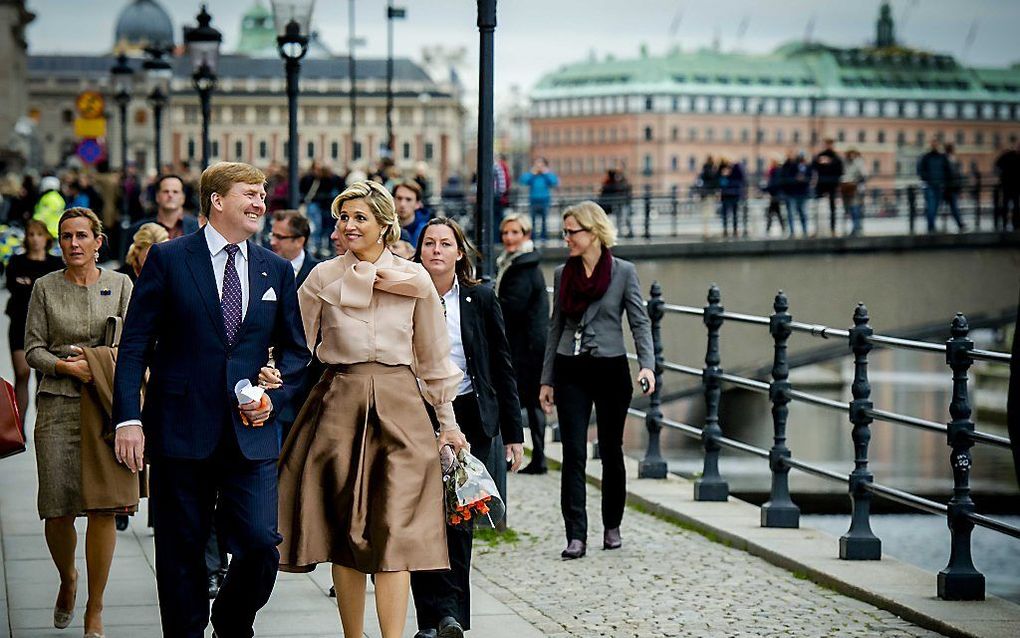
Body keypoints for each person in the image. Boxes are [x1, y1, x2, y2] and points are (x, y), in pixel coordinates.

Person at [111, 162, 310, 638]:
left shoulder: (275, 269)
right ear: (217, 200)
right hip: (181, 427)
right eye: (251, 193)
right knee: (182, 552)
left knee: (262, 544)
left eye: (263, 194)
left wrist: (273, 394)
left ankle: (231, 620)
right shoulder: (168, 259)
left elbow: (296, 353)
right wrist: (128, 420)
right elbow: (135, 344)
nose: (261, 202)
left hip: (252, 435)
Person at [276, 180, 467, 638]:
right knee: (344, 533)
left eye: (359, 217)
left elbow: (433, 359)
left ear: (385, 224)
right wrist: (264, 386)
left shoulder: (416, 278)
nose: (348, 225)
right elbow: (291, 346)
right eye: (343, 217)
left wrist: (448, 424)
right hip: (339, 402)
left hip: (402, 408)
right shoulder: (322, 276)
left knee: (395, 531)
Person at [410, 217, 524, 638]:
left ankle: (452, 614)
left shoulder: (479, 298)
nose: (436, 250)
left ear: (460, 253)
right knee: (422, 516)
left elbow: (502, 365)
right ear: (419, 252)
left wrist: (514, 433)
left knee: (459, 514)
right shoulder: (406, 293)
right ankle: (429, 617)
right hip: (418, 412)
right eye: (429, 243)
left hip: (470, 413)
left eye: (446, 243)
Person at [25, 207, 135, 638]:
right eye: (66, 236)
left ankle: (96, 607)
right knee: (58, 509)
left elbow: (138, 341)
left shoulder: (121, 284)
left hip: (106, 406)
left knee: (103, 508)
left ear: (98, 241)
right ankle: (67, 578)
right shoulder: (44, 288)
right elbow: (33, 348)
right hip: (58, 408)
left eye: (82, 236)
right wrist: (67, 368)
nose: (74, 244)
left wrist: (96, 363)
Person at [539, 201, 654, 560]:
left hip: (610, 369)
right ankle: (576, 535)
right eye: (565, 232)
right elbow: (555, 326)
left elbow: (639, 321)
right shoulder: (563, 274)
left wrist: (647, 365)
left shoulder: (623, 272)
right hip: (571, 369)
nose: (567, 239)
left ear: (593, 233)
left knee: (610, 451)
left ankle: (612, 525)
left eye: (573, 232)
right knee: (573, 453)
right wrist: (547, 379)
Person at [496, 213, 551, 474]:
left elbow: (512, 307)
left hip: (527, 346)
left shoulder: (523, 266)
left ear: (526, 235)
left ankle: (535, 457)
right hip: (526, 343)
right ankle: (535, 456)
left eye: (515, 232)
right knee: (529, 401)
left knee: (523, 400)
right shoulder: (517, 263)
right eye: (506, 233)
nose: (509, 238)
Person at [5, 219, 63, 418]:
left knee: (43, 377)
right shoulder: (16, 262)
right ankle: (18, 429)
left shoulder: (55, 265)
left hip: (46, 326)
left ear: (46, 237)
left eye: (39, 234)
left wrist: (28, 286)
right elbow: (15, 289)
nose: (35, 239)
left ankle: (43, 425)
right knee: (22, 373)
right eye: (31, 234)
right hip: (20, 323)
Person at [123, 175, 200, 259]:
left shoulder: (198, 228)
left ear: (183, 198)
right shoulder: (137, 229)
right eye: (165, 191)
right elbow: (127, 266)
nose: (170, 195)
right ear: (157, 196)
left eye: (175, 192)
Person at [269, 209, 319, 287]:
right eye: (272, 235)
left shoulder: (317, 272)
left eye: (279, 237)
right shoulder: (263, 266)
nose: (272, 242)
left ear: (299, 241)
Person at [519, 157, 559, 242]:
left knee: (544, 220)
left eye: (541, 164)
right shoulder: (532, 175)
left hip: (544, 200)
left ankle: (544, 237)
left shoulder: (547, 175)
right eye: (537, 164)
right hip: (533, 199)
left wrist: (546, 173)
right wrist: (532, 173)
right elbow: (523, 181)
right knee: (532, 221)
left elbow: (554, 182)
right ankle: (532, 237)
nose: (539, 166)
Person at [812, 139, 844, 235]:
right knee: (817, 207)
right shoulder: (820, 155)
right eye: (827, 144)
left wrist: (829, 163)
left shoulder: (836, 158)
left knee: (832, 208)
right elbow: (814, 166)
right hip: (821, 184)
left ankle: (833, 229)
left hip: (832, 185)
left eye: (830, 144)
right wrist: (820, 161)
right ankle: (816, 229)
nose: (828, 146)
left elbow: (840, 171)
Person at [917, 139, 950, 234]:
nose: (935, 145)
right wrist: (926, 179)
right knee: (931, 205)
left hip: (938, 185)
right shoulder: (927, 157)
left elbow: (947, 170)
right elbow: (921, 170)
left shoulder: (939, 157)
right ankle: (931, 226)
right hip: (931, 185)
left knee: (934, 206)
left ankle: (931, 226)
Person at [781, 151, 812, 237]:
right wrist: (795, 179)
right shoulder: (792, 166)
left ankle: (804, 231)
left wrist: (804, 179)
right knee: (792, 212)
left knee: (802, 212)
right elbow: (787, 175)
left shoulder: (808, 167)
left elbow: (809, 178)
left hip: (803, 192)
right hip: (793, 192)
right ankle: (792, 232)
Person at [393, 180, 433, 247]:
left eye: (408, 199)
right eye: (399, 198)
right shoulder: (384, 228)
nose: (402, 204)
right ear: (393, 200)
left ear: (417, 204)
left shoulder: (426, 232)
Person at [840, 149, 868, 235]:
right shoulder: (844, 162)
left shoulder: (859, 162)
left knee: (856, 209)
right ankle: (854, 229)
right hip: (847, 190)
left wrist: (855, 182)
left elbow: (864, 175)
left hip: (856, 190)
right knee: (849, 210)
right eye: (849, 154)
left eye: (852, 154)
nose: (851, 155)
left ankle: (857, 229)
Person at [994, 140, 1020, 231]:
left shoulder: (1006, 155)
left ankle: (1005, 224)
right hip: (1016, 186)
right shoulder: (1016, 157)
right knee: (1016, 206)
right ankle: (1015, 224)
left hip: (1006, 185)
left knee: (1006, 205)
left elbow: (997, 165)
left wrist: (1001, 176)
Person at [942, 143, 968, 232]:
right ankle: (959, 224)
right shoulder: (952, 160)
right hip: (951, 187)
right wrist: (960, 188)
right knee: (953, 207)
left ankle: (958, 224)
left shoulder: (946, 159)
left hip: (947, 187)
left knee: (950, 206)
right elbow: (958, 175)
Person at [717, 159, 745, 238]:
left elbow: (723, 184)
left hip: (730, 195)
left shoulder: (733, 174)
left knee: (732, 214)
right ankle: (728, 230)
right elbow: (721, 184)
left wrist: (725, 177)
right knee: (728, 214)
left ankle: (732, 230)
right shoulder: (729, 174)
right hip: (729, 195)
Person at [762, 158, 786, 236]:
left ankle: (768, 229)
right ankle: (781, 228)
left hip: (775, 195)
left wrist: (764, 189)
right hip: (775, 195)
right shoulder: (775, 171)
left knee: (772, 212)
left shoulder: (776, 172)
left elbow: (774, 184)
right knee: (775, 212)